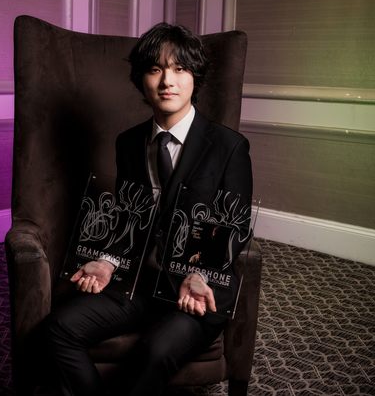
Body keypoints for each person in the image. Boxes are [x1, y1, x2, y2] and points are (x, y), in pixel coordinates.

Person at [42, 22, 252, 396]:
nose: (167, 81)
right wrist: (108, 259)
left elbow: (231, 225)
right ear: (141, 81)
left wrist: (198, 273)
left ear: (194, 78)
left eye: (179, 69)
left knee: (154, 351)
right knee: (59, 327)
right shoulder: (128, 143)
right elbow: (128, 214)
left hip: (198, 288)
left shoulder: (228, 146)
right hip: (140, 282)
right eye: (155, 69)